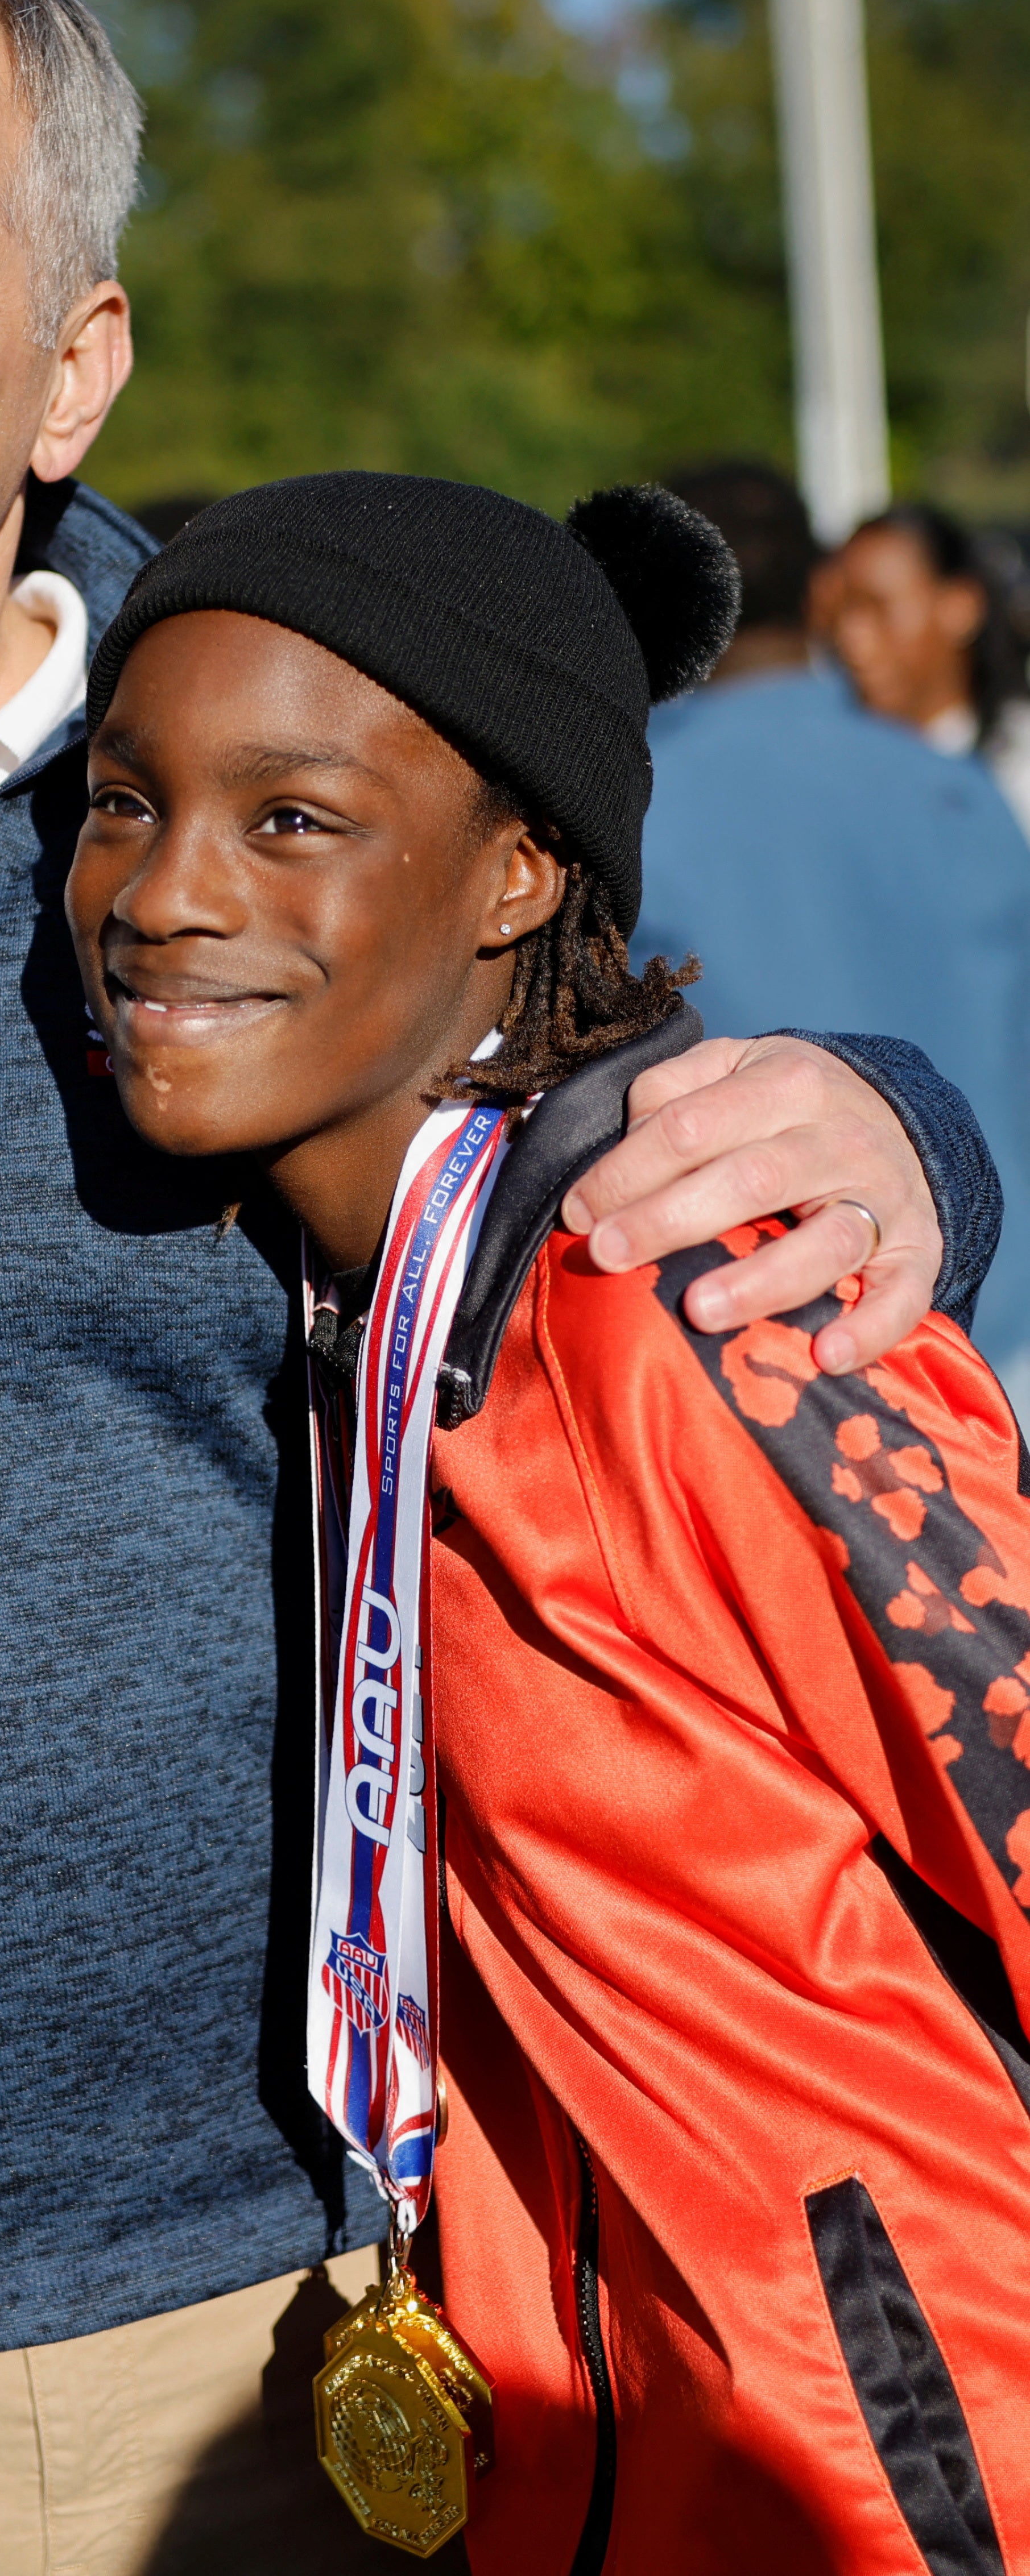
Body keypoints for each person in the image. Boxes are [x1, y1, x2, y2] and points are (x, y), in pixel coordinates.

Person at [0, 0, 999, 2573]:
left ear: (68, 357)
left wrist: (896, 1129)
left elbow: (571, 1073)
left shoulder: (232, 734)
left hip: (317, 2322)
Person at [68, 468, 1030, 2573]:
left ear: (516, 867)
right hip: (595, 2476)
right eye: (121, 801)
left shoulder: (701, 1307)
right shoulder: (348, 1307)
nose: (157, 889)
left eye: (290, 816)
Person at [636, 460, 1030, 1384]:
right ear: (816, 590)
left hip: (786, 1356)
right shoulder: (957, 788)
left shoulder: (627, 806)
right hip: (998, 1333)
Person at [824, 499, 1030, 840]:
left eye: (878, 608)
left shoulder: (1017, 765)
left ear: (960, 606)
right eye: (839, 614)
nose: (851, 640)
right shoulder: (832, 767)